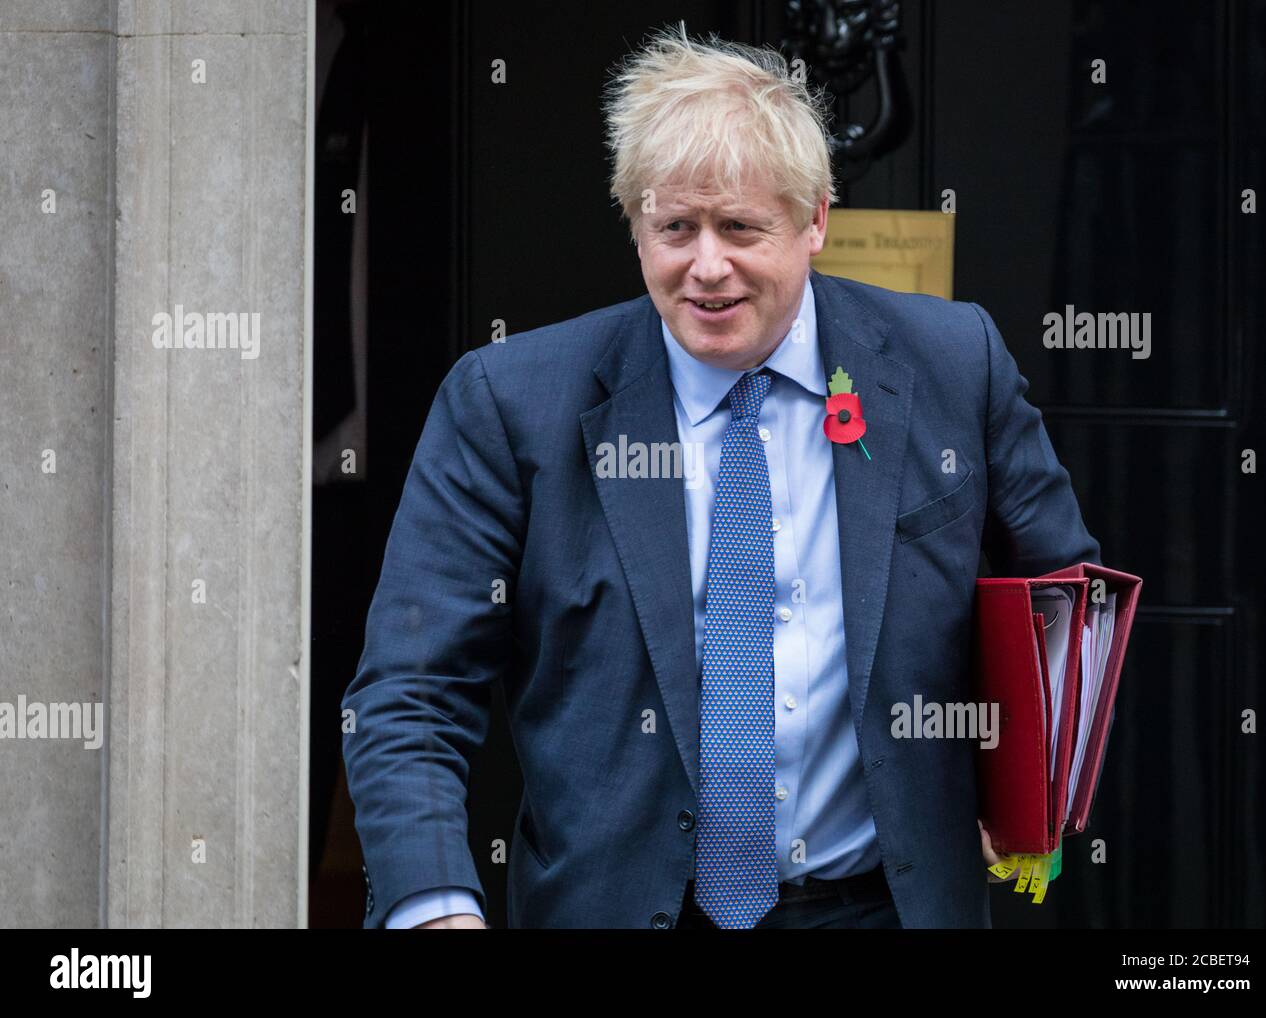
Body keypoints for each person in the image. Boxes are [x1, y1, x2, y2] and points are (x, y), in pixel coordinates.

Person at [341, 24, 1099, 930]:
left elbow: (1066, 604)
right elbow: (411, 690)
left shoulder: (950, 362)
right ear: (635, 222)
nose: (707, 267)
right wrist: (434, 907)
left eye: (740, 227)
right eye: (674, 228)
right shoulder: (508, 403)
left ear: (816, 218)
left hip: (886, 909)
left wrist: (1029, 784)